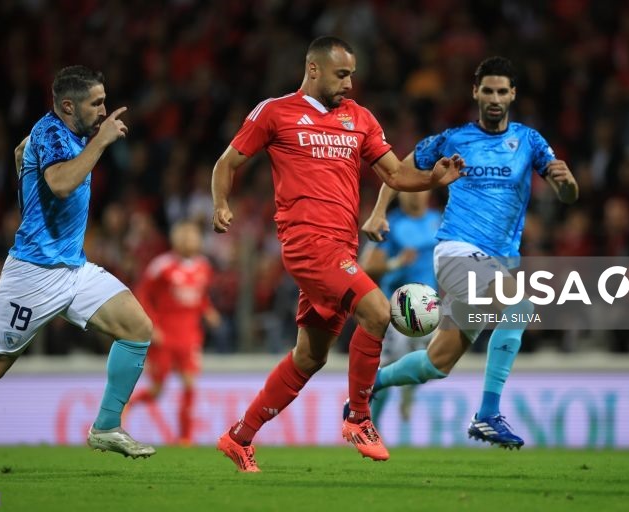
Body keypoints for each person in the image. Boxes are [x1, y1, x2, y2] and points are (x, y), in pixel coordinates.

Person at [211, 36, 464, 472]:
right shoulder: (275, 112)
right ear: (313, 69)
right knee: (378, 311)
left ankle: (239, 436)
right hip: (307, 244)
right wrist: (220, 203)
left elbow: (397, 174)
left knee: (310, 356)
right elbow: (227, 163)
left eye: (351, 74)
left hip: (342, 246)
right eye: (341, 74)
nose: (349, 83)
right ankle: (359, 417)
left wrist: (433, 179)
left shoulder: (360, 118)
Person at [0, 65, 156, 458]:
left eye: (104, 101)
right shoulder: (53, 133)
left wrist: (27, 174)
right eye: (97, 103)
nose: (104, 111)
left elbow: (20, 152)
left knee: (137, 328)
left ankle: (107, 426)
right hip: (33, 274)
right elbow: (59, 184)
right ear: (68, 106)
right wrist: (102, 142)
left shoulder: (56, 135)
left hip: (73, 269)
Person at [356, 56, 579, 449]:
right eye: (488, 90)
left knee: (435, 364)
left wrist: (566, 184)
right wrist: (377, 213)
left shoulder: (529, 141)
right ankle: (488, 415)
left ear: (513, 95)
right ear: (476, 92)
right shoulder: (453, 139)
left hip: (499, 261)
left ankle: (368, 386)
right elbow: (397, 171)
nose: (495, 98)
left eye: (502, 91)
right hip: (457, 250)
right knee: (519, 305)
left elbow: (567, 194)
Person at [127, 220, 220, 445]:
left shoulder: (204, 266)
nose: (190, 241)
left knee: (190, 383)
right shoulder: (161, 266)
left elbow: (199, 296)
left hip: (190, 335)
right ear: (176, 240)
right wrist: (152, 325)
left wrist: (208, 311)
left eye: (193, 236)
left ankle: (185, 438)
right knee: (158, 390)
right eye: (185, 236)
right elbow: (142, 294)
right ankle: (127, 404)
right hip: (165, 335)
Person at [358, 190, 441, 441]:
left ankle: (408, 392)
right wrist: (396, 263)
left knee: (437, 356)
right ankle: (372, 423)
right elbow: (367, 266)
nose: (415, 196)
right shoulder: (390, 224)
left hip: (430, 304)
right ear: (400, 195)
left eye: (420, 190)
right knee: (392, 359)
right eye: (408, 192)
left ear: (429, 193)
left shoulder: (439, 220)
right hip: (398, 304)